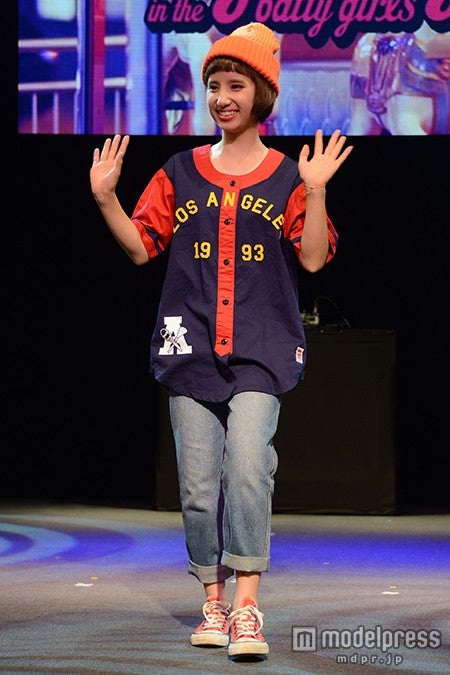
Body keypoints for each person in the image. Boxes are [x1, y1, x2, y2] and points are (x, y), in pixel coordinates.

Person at [90, 22, 353, 661]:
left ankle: (246, 606)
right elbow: (141, 247)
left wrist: (316, 189)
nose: (221, 97)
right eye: (214, 85)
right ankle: (213, 599)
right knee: (198, 484)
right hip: (190, 348)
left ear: (262, 94)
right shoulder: (180, 171)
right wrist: (106, 200)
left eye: (236, 85)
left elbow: (313, 258)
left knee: (249, 466)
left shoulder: (287, 176)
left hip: (262, 348)